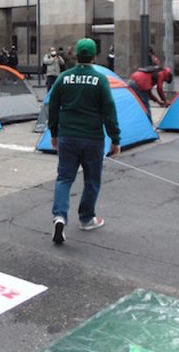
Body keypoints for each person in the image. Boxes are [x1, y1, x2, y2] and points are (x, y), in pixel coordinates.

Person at [48, 38, 121, 244]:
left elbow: (52, 108)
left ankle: (60, 216)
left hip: (67, 136)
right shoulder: (100, 80)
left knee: (64, 178)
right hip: (92, 138)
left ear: (76, 55)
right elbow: (109, 110)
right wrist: (115, 138)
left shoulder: (63, 78)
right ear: (95, 56)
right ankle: (86, 218)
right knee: (91, 179)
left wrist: (54, 132)